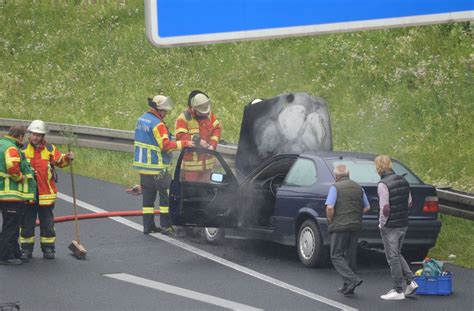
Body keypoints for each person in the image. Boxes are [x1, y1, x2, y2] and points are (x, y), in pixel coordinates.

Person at [133, 95, 194, 234]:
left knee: (148, 200)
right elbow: (165, 145)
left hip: (144, 169)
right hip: (159, 170)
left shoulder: (141, 120)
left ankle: (148, 226)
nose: (166, 114)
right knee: (165, 199)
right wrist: (185, 143)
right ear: (159, 110)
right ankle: (166, 227)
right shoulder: (158, 124)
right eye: (165, 112)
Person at [19, 120, 74, 260]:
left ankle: (48, 249)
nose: (35, 137)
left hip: (46, 194)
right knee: (26, 224)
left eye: (38, 135)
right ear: (29, 134)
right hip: (28, 194)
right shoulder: (22, 149)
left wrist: (67, 158)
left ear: (43, 136)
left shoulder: (50, 149)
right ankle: (26, 250)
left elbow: (60, 161)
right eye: (33, 134)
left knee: (48, 225)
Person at [375, 155, 418, 300]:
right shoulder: (403, 180)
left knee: (392, 257)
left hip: (390, 226)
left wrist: (382, 223)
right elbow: (409, 203)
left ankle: (398, 290)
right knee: (397, 253)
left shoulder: (383, 184)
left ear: (379, 167)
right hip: (403, 223)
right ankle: (410, 281)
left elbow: (385, 208)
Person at [325, 164, 370, 296]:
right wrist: (355, 214)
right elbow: (367, 207)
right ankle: (348, 286)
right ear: (348, 174)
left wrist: (330, 220)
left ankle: (352, 280)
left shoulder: (335, 187)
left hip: (340, 226)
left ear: (336, 176)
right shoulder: (359, 188)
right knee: (350, 256)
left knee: (336, 255)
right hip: (355, 225)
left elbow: (329, 208)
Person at [0, 126, 36, 265]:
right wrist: (21, 177)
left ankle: (14, 252)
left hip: (3, 193)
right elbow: (12, 167)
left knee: (12, 225)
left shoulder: (2, 144)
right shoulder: (11, 148)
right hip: (10, 194)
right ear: (20, 136)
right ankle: (5, 255)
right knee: (11, 226)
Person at [175, 90, 222, 182]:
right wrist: (198, 141)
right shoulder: (184, 118)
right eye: (201, 113)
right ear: (194, 109)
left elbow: (217, 129)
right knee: (191, 193)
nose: (204, 114)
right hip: (191, 169)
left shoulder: (209, 114)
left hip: (207, 166)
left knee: (206, 192)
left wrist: (212, 145)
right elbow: (180, 136)